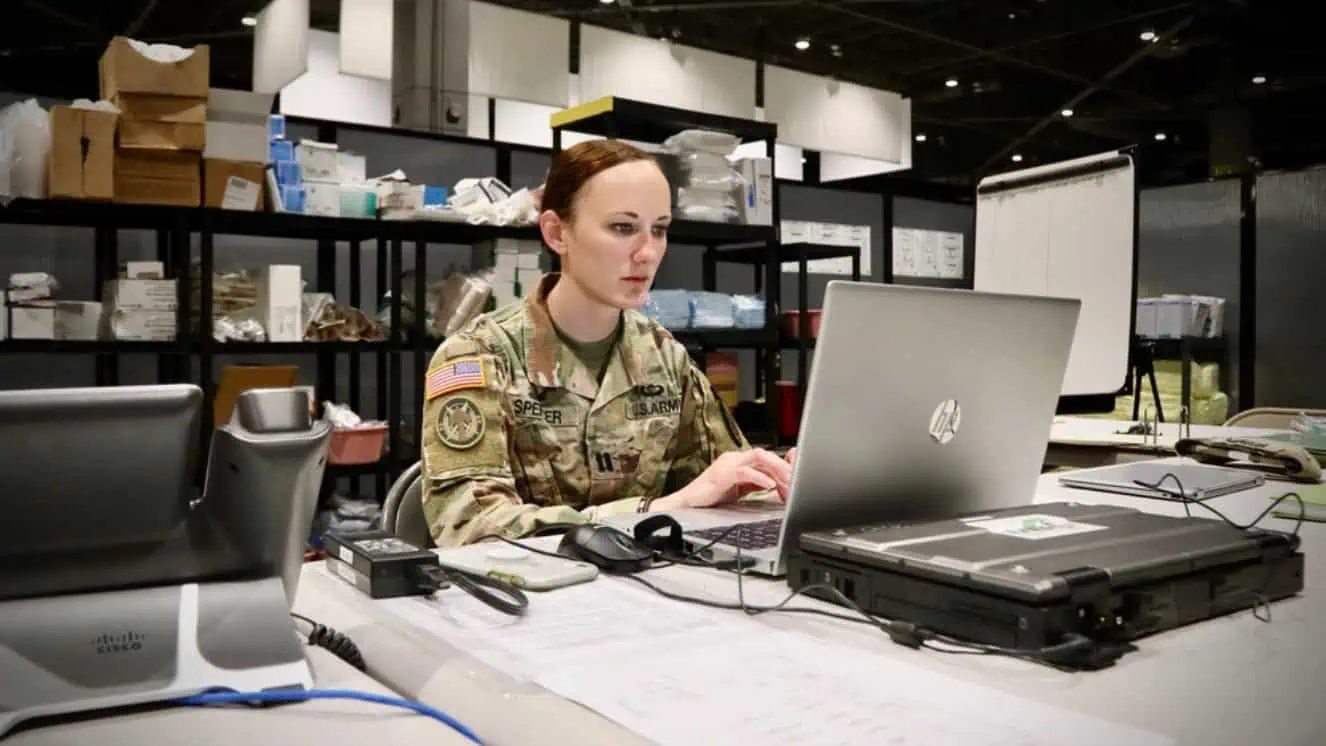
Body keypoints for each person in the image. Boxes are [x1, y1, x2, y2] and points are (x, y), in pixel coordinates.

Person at [419, 139, 796, 547]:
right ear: (556, 233)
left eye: (660, 229)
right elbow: (471, 528)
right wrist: (654, 511)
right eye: (623, 228)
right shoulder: (479, 356)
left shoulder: (665, 358)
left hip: (652, 592)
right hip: (532, 597)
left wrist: (777, 481)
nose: (647, 252)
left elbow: (724, 477)